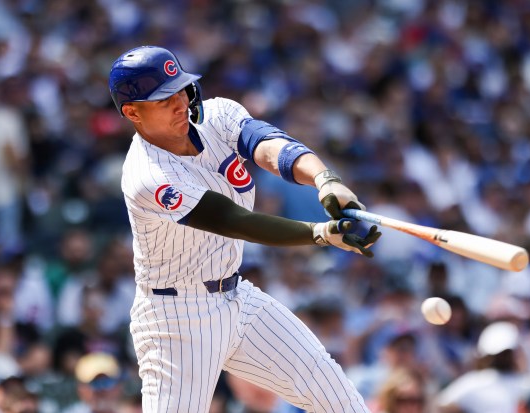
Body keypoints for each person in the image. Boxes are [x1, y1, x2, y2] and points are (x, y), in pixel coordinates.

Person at [108, 45, 381, 412]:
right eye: (163, 100)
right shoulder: (148, 175)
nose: (180, 104)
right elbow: (235, 222)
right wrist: (320, 233)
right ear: (132, 112)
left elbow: (269, 145)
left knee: (338, 398)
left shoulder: (215, 114)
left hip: (237, 296)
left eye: (181, 90)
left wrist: (324, 178)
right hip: (176, 318)